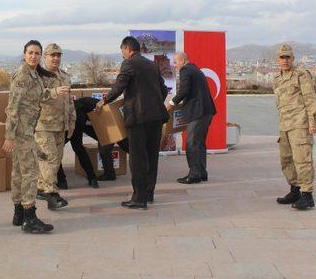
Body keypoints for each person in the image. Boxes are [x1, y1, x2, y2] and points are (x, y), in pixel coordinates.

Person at [2, 40, 70, 233]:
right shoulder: (23, 75)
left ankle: (18, 214)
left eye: (37, 53)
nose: (33, 56)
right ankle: (30, 217)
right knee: (31, 174)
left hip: (26, 130)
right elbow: (12, 107)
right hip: (22, 132)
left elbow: (40, 95)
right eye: (30, 53)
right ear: (24, 54)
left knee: (18, 173)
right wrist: (9, 136)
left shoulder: (34, 75)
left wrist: (55, 91)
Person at [96, 36, 168, 209]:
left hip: (138, 119)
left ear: (128, 49)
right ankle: (149, 194)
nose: (122, 54)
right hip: (156, 118)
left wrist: (103, 101)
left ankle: (139, 198)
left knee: (137, 159)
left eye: (122, 51)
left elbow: (119, 87)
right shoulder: (151, 65)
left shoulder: (129, 63)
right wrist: (154, 104)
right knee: (152, 157)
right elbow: (163, 90)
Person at [273, 44, 316, 211]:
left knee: (302, 160)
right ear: (277, 59)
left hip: (300, 125)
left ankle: (307, 195)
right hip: (285, 125)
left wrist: (312, 123)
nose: (284, 60)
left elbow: (310, 99)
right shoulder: (277, 79)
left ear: (293, 59)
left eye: (287, 57)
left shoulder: (301, 75)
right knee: (286, 160)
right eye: (281, 57)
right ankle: (295, 190)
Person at [35, 43, 76, 210]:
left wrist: (72, 122)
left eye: (58, 55)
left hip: (60, 126)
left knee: (56, 160)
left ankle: (39, 187)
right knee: (50, 159)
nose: (56, 58)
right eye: (52, 55)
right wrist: (54, 92)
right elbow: (35, 96)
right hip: (44, 125)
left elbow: (69, 101)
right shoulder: (38, 76)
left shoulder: (65, 77)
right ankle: (52, 194)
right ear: (45, 57)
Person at [167, 52, 216, 184]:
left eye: (176, 62)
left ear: (183, 61)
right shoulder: (195, 69)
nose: (174, 65)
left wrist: (171, 104)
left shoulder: (185, 70)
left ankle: (194, 174)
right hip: (206, 111)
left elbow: (184, 91)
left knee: (192, 143)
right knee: (199, 143)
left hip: (198, 113)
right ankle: (201, 173)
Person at [69, 96, 130, 187]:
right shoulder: (79, 111)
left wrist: (103, 137)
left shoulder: (84, 104)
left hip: (109, 123)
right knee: (124, 145)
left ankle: (109, 174)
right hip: (105, 126)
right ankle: (144, 163)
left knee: (107, 148)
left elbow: (104, 109)